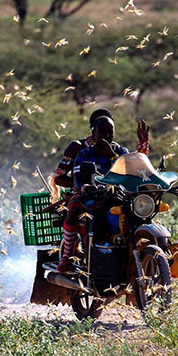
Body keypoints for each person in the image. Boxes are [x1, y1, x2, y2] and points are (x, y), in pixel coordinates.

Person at [57, 116, 151, 272]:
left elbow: (138, 168)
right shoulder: (84, 153)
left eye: (110, 131)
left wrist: (143, 145)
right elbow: (77, 180)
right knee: (74, 211)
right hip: (93, 197)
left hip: (118, 197)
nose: (106, 135)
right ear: (93, 133)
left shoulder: (121, 152)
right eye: (102, 131)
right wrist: (84, 187)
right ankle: (67, 255)